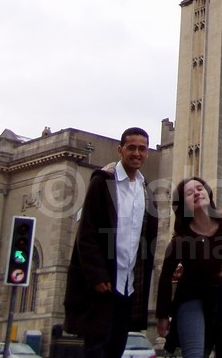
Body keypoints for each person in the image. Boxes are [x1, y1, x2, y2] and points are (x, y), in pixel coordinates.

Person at [64, 127, 158, 358]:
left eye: (142, 149)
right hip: (104, 284)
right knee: (96, 349)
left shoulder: (145, 190)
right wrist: (97, 275)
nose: (137, 153)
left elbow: (143, 240)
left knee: (115, 348)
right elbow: (86, 233)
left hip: (129, 286)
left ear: (147, 153)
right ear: (120, 150)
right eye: (132, 148)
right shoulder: (103, 182)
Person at [156, 177, 222, 358]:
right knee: (195, 354)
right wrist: (162, 315)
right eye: (190, 193)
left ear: (208, 193)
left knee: (211, 350)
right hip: (190, 298)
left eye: (200, 188)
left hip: (216, 299)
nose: (197, 193)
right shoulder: (180, 241)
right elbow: (165, 276)